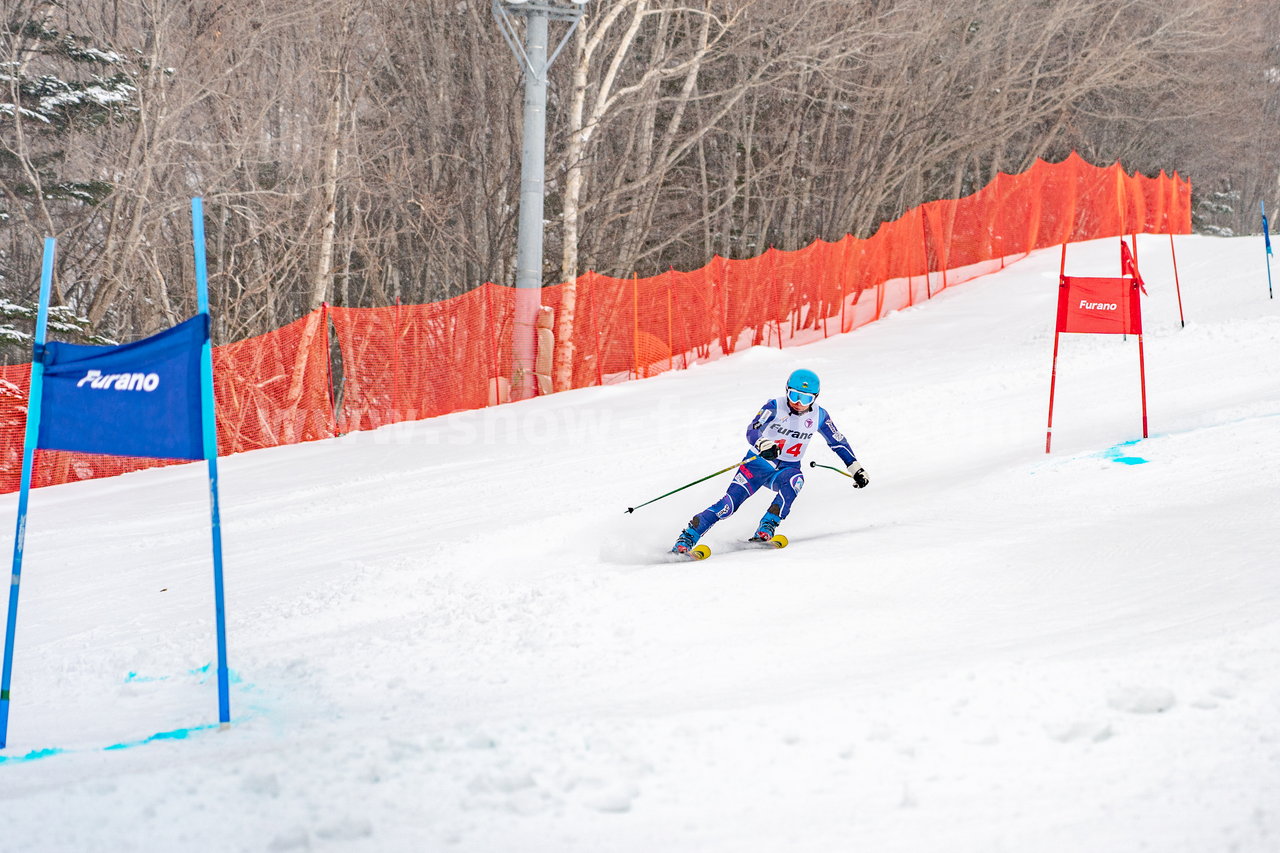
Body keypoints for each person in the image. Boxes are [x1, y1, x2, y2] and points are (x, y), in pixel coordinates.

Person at [671, 368, 869, 554]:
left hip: (787, 469)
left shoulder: (820, 416)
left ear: (815, 398)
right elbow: (753, 428)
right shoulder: (774, 406)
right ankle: (688, 536)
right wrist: (763, 443)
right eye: (794, 395)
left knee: (795, 481)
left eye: (806, 398)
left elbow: (837, 441)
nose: (799, 402)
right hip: (758, 464)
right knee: (729, 505)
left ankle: (767, 526)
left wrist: (855, 468)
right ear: (786, 391)